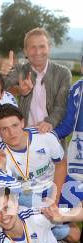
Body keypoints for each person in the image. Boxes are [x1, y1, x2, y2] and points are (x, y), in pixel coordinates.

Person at [0, 104, 79, 243]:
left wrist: (53, 200)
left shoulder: (45, 137)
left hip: (54, 182)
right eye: (4, 129)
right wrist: (1, 168)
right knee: (74, 236)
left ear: (23, 122)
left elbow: (61, 164)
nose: (12, 133)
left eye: (15, 125)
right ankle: (54, 230)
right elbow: (7, 190)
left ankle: (60, 220)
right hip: (28, 195)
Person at [0, 27, 71, 134]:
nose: (37, 52)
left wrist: (49, 122)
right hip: (24, 139)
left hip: (52, 136)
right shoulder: (20, 70)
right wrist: (2, 75)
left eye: (42, 46)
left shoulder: (63, 73)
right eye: (33, 47)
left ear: (49, 48)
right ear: (25, 51)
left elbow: (60, 106)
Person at [54, 56, 83, 209]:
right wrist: (39, 136)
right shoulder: (78, 89)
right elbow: (67, 126)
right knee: (67, 210)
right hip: (77, 162)